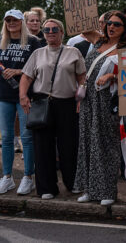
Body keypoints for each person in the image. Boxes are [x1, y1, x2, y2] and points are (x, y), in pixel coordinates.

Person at [20, 18, 85, 199]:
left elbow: (82, 76)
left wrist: (81, 96)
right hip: (42, 102)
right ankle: (47, 187)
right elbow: (26, 77)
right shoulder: (38, 53)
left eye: (54, 29)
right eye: (47, 30)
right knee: (42, 147)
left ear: (62, 32)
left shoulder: (73, 52)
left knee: (69, 146)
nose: (50, 32)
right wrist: (23, 96)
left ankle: (72, 183)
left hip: (66, 103)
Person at [74, 11, 126, 206]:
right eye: (109, 23)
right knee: (88, 143)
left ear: (124, 29)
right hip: (89, 100)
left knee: (106, 145)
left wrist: (112, 77)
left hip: (108, 102)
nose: (111, 26)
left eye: (116, 24)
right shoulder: (98, 41)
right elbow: (80, 23)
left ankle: (107, 190)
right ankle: (90, 189)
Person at [0, 9, 41, 195]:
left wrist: (17, 72)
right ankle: (7, 177)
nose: (11, 23)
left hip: (25, 95)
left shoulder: (33, 42)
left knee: (26, 137)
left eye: (14, 20)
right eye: (8, 20)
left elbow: (38, 67)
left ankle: (28, 177)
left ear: (21, 21)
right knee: (7, 138)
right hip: (4, 96)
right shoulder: (1, 40)